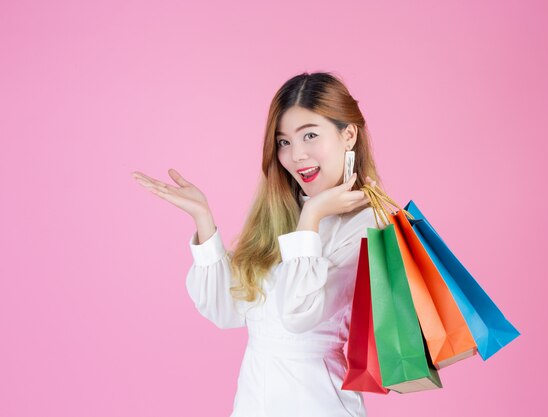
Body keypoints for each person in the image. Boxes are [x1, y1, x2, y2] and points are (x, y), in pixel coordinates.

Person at [132, 71, 383, 416]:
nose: (297, 155)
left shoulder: (369, 224)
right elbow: (228, 310)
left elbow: (299, 315)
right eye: (284, 142)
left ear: (348, 134)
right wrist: (204, 221)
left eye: (310, 135)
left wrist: (311, 218)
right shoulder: (282, 211)